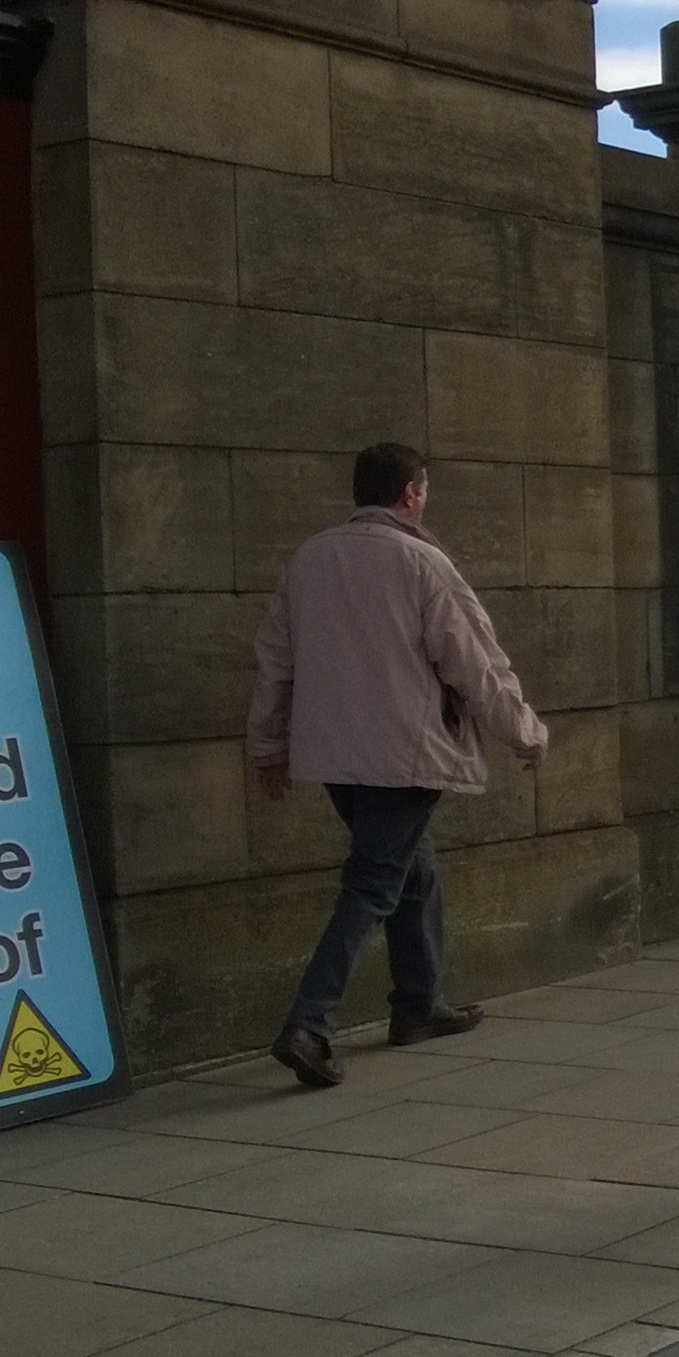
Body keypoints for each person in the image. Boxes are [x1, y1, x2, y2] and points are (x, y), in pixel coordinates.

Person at [249, 443, 547, 1089]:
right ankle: (309, 1024)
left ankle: (419, 1002)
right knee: (374, 884)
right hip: (404, 754)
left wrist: (269, 747)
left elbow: (275, 662)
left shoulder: (309, 560)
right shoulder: (422, 563)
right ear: (411, 494)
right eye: (425, 490)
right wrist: (524, 731)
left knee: (413, 868)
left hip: (334, 754)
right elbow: (474, 662)